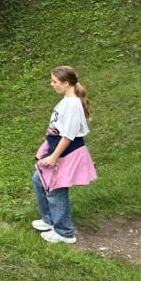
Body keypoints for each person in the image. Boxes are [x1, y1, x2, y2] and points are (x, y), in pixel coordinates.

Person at [31, 66, 97, 244]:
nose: (52, 84)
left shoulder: (73, 105)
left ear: (66, 83)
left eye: (55, 82)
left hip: (66, 152)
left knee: (56, 189)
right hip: (55, 148)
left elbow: (68, 135)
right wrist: (47, 148)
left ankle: (65, 232)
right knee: (39, 181)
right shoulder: (66, 101)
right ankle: (49, 219)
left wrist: (54, 157)